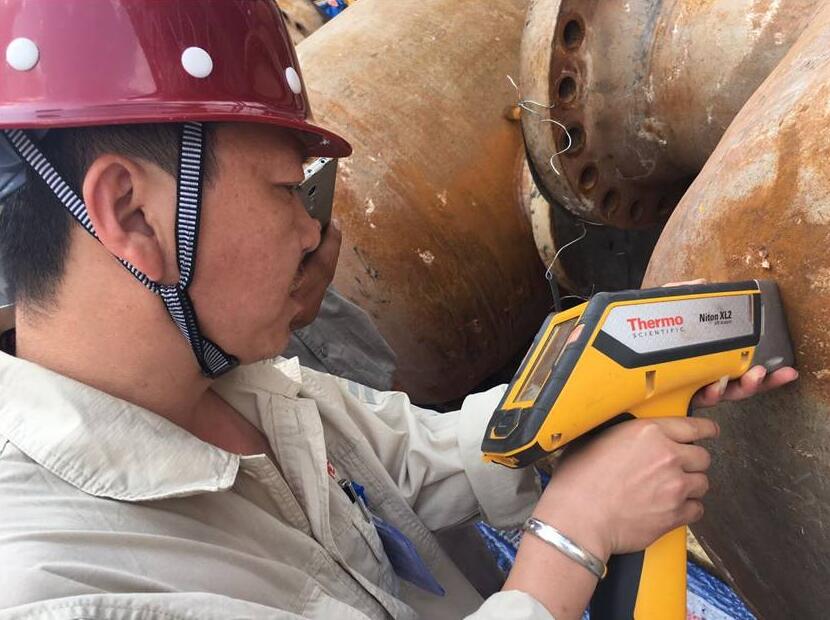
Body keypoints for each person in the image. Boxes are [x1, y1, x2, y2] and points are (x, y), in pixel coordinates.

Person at [0, 2, 797, 619]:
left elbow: (419, 460)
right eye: (285, 191)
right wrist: (569, 540)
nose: (313, 233)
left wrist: (602, 398)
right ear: (133, 213)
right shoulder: (57, 586)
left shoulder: (238, 389)